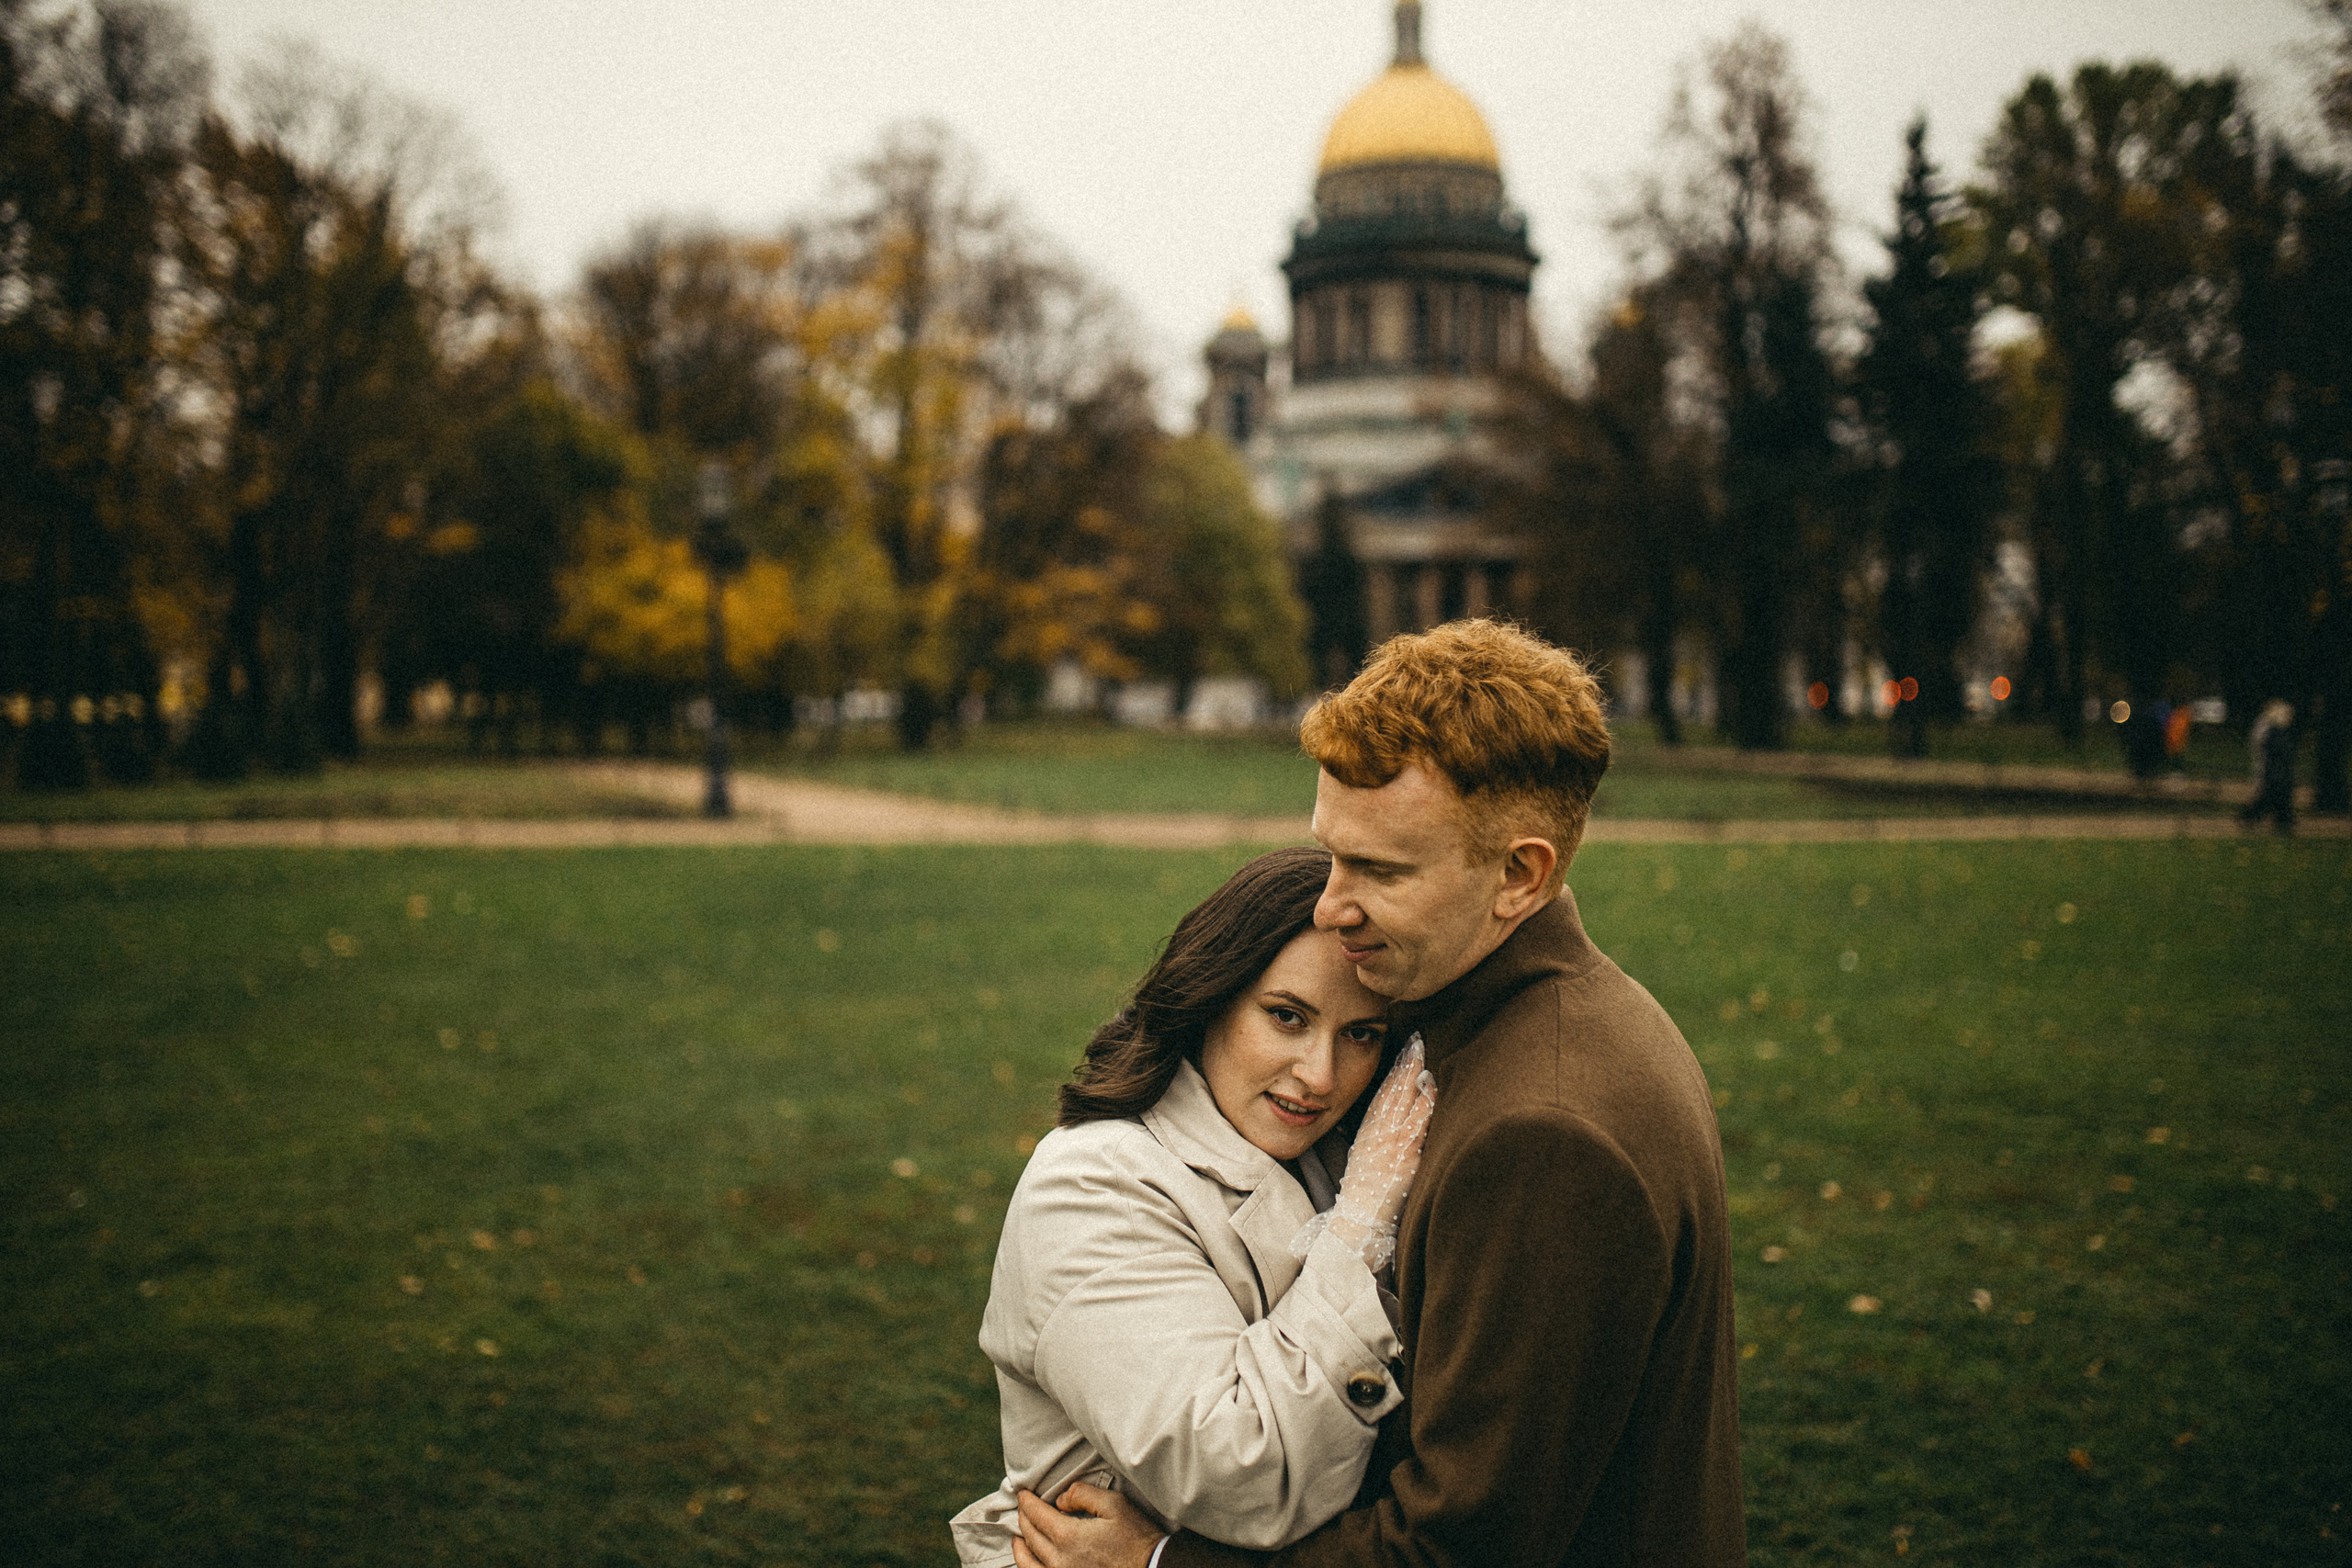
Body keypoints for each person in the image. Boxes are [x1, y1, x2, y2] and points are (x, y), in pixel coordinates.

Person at [1014, 619, 1746, 1568]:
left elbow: (1457, 1547)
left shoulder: (1542, 1128)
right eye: (1331, 855)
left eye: (1381, 871)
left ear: (1520, 875)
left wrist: (1162, 1566)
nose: (1328, 906)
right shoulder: (1512, 1028)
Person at [952, 846, 1440, 1567]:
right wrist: (1359, 1229)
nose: (1320, 1073)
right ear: (1210, 997)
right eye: (1285, 1016)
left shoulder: (1338, 1147)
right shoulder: (1092, 1182)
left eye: (1360, 1033)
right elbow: (1237, 1471)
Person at [2240, 699, 2297, 834]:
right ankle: (2281, 820)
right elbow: (2280, 752)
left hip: (2274, 772)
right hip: (2277, 773)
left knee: (2271, 798)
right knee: (2272, 797)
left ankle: (2281, 820)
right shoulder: (2275, 731)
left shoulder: (2270, 729)